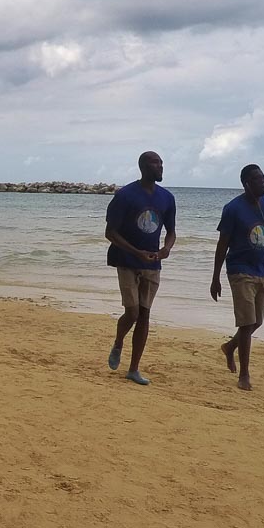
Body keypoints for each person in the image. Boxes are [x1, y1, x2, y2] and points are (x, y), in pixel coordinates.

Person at [210, 164, 264, 391]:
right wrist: (215, 277)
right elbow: (222, 245)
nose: (262, 183)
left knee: (256, 321)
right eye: (257, 179)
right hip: (239, 270)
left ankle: (229, 347)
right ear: (246, 184)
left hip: (263, 270)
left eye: (263, 178)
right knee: (247, 323)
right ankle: (244, 374)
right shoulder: (232, 209)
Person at [104, 151, 177, 386]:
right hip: (126, 261)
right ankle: (118, 342)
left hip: (153, 263)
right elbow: (110, 232)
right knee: (132, 312)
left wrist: (166, 248)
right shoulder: (125, 195)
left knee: (145, 314)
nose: (160, 167)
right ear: (144, 166)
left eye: (161, 163)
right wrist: (136, 252)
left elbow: (171, 232)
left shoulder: (167, 198)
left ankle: (134, 369)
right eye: (156, 163)